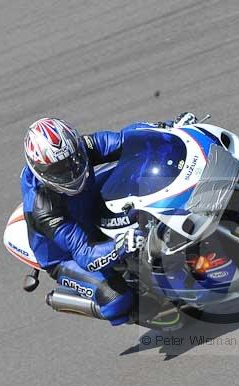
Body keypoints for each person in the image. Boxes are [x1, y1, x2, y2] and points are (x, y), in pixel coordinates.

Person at [21, 114, 196, 326]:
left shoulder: (80, 149)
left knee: (141, 184)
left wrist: (167, 130)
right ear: (41, 172)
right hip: (68, 253)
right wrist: (121, 246)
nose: (70, 171)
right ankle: (135, 311)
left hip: (91, 204)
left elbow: (126, 139)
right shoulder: (43, 209)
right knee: (116, 299)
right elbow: (84, 253)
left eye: (72, 161)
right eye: (59, 170)